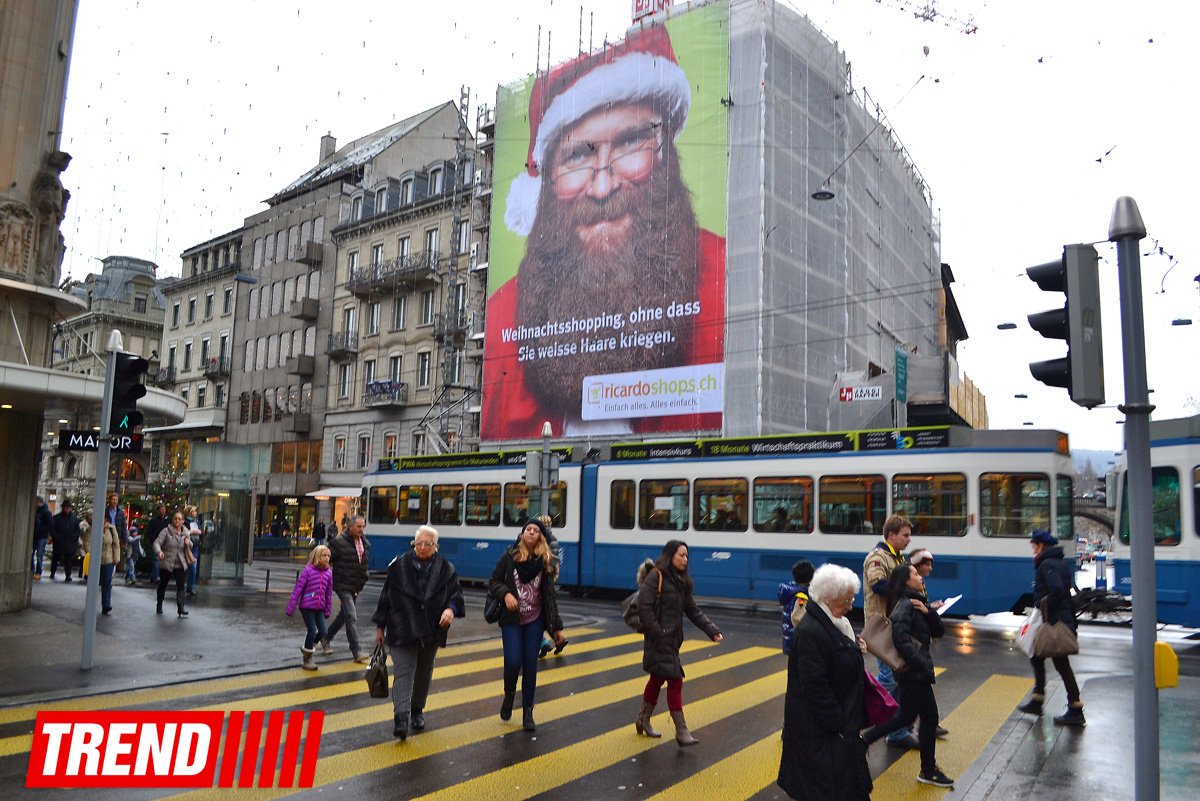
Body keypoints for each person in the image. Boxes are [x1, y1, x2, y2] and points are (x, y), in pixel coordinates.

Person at [482, 25, 726, 439]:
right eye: (577, 155)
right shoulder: (504, 317)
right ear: (547, 181)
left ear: (666, 153)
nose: (602, 185)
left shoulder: (726, 281)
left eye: (631, 143)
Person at [777, 564, 872, 801]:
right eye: (846, 601)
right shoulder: (812, 631)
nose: (851, 607)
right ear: (827, 599)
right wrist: (839, 724)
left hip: (834, 734)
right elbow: (815, 687)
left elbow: (836, 661)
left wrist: (854, 649)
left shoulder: (834, 624)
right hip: (824, 737)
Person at [861, 565, 954, 788]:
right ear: (905, 581)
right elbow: (900, 639)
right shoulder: (905, 605)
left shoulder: (916, 604)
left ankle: (865, 740)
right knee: (930, 717)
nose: (921, 577)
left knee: (905, 717)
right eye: (916, 574)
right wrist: (920, 663)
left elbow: (938, 631)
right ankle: (928, 771)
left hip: (911, 672)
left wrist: (929, 611)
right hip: (913, 673)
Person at [371, 525, 465, 740]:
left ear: (436, 546)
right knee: (404, 671)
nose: (423, 548)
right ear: (414, 544)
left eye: (428, 544)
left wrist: (451, 610)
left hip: (432, 628)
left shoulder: (446, 569)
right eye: (419, 543)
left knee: (424, 672)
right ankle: (401, 718)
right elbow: (385, 598)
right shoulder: (398, 567)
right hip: (401, 627)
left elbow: (456, 595)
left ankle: (417, 710)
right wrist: (379, 627)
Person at [634, 540, 723, 746]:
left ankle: (642, 720)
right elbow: (644, 609)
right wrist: (659, 633)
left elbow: (692, 610)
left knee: (657, 679)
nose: (685, 559)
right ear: (670, 556)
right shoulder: (656, 576)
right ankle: (681, 731)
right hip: (659, 640)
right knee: (675, 680)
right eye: (681, 555)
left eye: (686, 556)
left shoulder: (681, 581)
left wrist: (712, 630)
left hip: (672, 640)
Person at [487, 518, 565, 732]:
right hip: (512, 619)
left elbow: (550, 597)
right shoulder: (509, 556)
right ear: (522, 534)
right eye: (528, 529)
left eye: (535, 530)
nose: (531, 532)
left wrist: (556, 627)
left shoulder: (546, 561)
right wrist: (506, 594)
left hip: (535, 620)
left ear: (540, 536)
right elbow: (493, 582)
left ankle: (528, 711)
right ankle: (509, 695)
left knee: (530, 665)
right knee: (513, 662)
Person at [1017, 530, 1085, 726]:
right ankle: (1038, 699)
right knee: (1036, 656)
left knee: (1060, 663)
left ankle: (1075, 708)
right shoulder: (1056, 562)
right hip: (1058, 619)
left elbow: (1056, 590)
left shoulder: (1047, 564)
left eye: (1034, 546)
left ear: (1041, 546)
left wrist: (1043, 604)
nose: (1033, 551)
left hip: (1055, 621)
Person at [862, 513, 917, 750]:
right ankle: (892, 728)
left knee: (896, 677)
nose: (909, 540)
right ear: (891, 535)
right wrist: (906, 587)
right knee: (889, 678)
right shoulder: (878, 557)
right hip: (882, 627)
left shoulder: (897, 556)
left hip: (894, 624)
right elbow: (878, 585)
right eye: (905, 536)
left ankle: (897, 724)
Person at [907, 548, 948, 739]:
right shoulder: (910, 592)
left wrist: (930, 608)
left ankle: (922, 723)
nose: (930, 568)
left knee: (912, 696)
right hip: (916, 651)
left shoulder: (919, 585)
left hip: (920, 648)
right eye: (926, 564)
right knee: (911, 693)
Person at [322, 514, 371, 663]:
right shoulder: (338, 542)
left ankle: (325, 637)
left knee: (344, 615)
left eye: (363, 527)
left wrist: (364, 578)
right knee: (351, 616)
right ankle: (356, 651)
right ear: (350, 526)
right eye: (358, 526)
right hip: (343, 584)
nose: (361, 529)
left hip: (355, 585)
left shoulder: (365, 543)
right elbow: (325, 559)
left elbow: (363, 564)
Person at [286, 545, 333, 671]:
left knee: (323, 631)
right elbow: (298, 590)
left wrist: (328, 609)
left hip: (320, 608)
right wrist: (291, 606)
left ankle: (310, 645)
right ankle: (307, 658)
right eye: (324, 555)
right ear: (317, 556)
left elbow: (329, 594)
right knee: (312, 630)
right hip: (307, 606)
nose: (327, 558)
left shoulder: (328, 573)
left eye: (328, 556)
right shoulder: (308, 571)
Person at [535, 513, 568, 658]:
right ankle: (556, 640)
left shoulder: (541, 539)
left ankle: (544, 642)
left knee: (538, 610)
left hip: (542, 575)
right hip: (552, 574)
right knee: (549, 606)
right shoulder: (553, 538)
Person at [154, 511, 193, 617]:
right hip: (167, 562)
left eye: (179, 519)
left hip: (180, 563)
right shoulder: (166, 531)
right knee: (163, 584)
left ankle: (181, 607)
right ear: (172, 520)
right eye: (175, 518)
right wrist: (159, 552)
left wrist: (188, 543)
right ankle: (159, 603)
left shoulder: (186, 532)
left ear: (183, 521)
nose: (177, 521)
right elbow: (157, 543)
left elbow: (191, 545)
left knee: (181, 586)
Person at [778, 559, 815, 654]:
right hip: (799, 643)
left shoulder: (791, 592)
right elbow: (800, 622)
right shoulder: (801, 598)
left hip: (792, 641)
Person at [49, 499, 81, 581]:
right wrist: (56, 537)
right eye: (66, 507)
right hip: (59, 542)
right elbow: (52, 529)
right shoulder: (57, 518)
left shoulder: (74, 518)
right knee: (56, 558)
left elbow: (77, 530)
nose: (67, 509)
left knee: (68, 560)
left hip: (70, 542)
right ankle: (52, 572)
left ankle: (68, 574)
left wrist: (74, 537)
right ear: (63, 508)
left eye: (69, 507)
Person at [97, 517, 122, 615]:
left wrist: (116, 558)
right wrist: (88, 554)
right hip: (96, 559)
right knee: (94, 583)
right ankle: (91, 603)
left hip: (108, 559)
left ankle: (106, 604)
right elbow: (87, 542)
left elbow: (116, 544)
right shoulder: (93, 527)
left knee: (107, 582)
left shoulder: (111, 529)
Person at [142, 503, 169, 582]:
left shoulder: (167, 520)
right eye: (162, 509)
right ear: (158, 510)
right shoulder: (154, 520)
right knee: (157, 559)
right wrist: (153, 539)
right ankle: (156, 576)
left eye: (164, 509)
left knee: (160, 559)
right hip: (156, 542)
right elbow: (149, 532)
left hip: (165, 542)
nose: (163, 511)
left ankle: (153, 576)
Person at [32, 495, 53, 579]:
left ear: (37, 501)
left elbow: (50, 524)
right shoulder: (38, 511)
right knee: (34, 554)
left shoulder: (45, 512)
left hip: (41, 536)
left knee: (39, 555)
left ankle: (38, 571)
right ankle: (33, 570)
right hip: (37, 536)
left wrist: (45, 532)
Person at [183, 505, 201, 597]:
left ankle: (190, 586)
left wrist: (198, 531)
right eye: (194, 511)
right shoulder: (184, 522)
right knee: (184, 567)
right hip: (185, 547)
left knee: (193, 568)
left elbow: (200, 531)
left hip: (194, 547)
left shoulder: (196, 521)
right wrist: (190, 532)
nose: (195, 513)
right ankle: (182, 585)